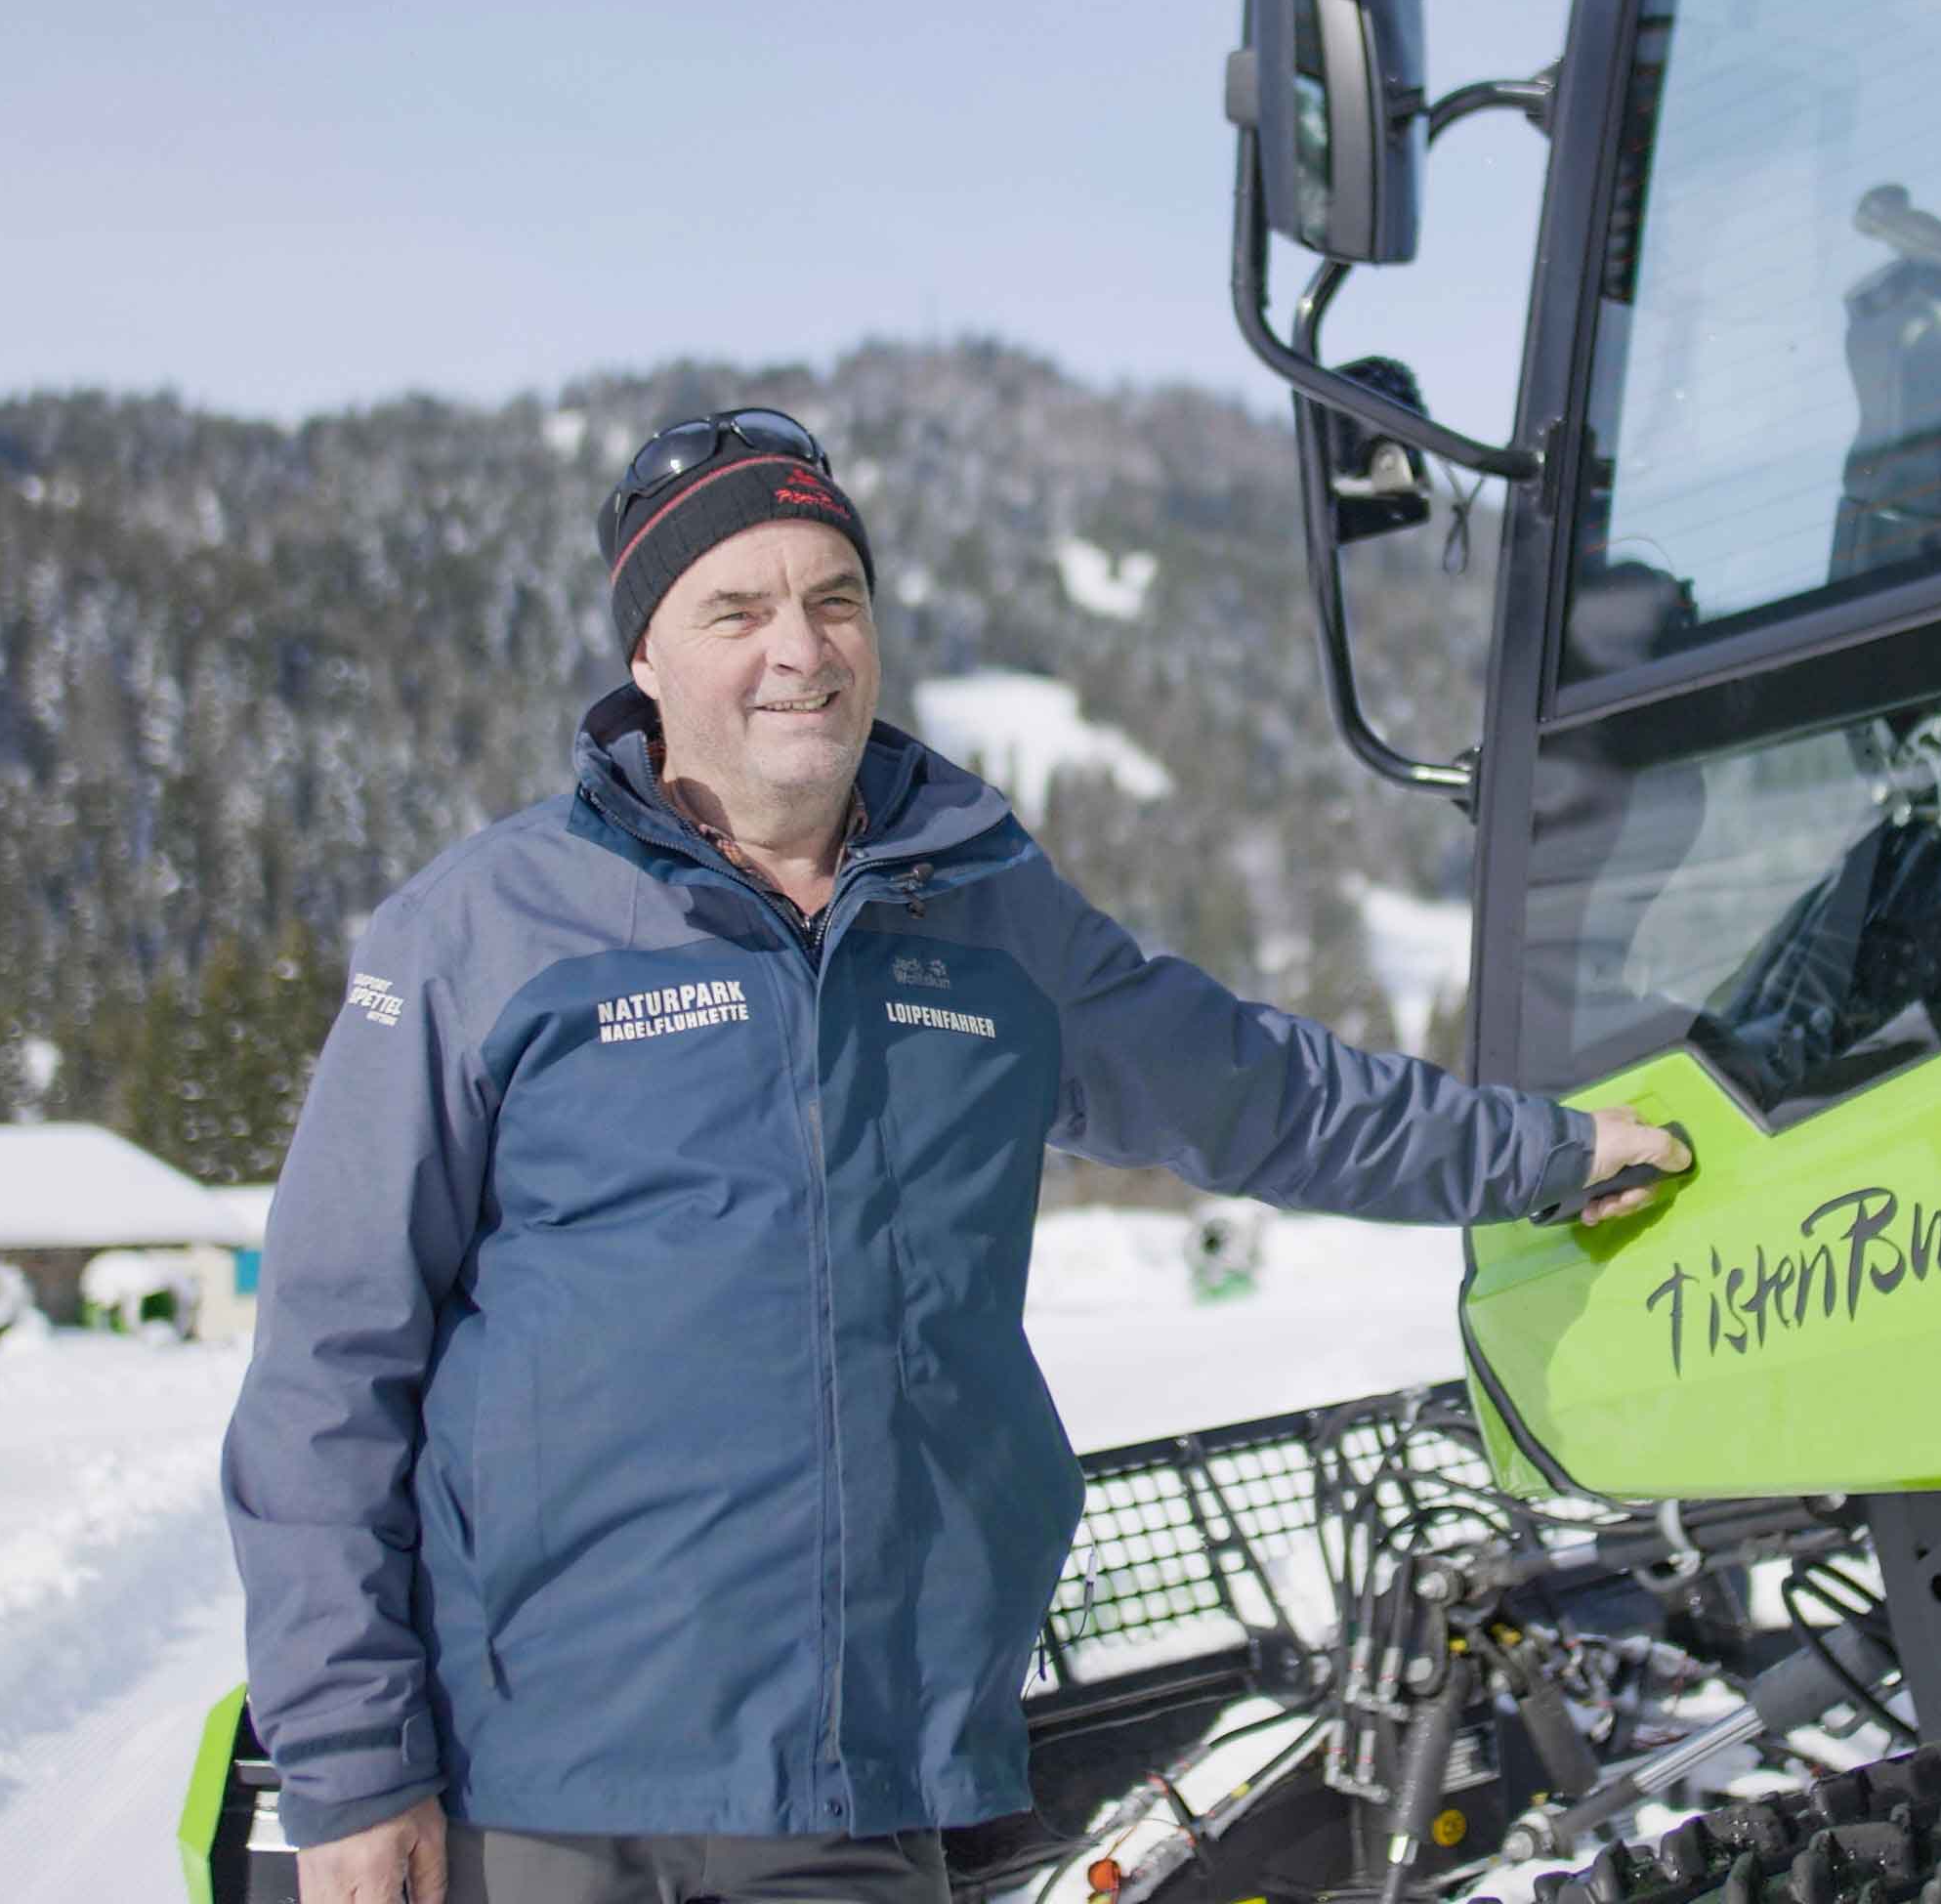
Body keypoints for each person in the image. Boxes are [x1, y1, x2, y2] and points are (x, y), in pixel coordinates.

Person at [223, 410, 1692, 1904]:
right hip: (526, 1792)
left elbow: (1258, 1090)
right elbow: (333, 1359)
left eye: (834, 599)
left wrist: (1545, 1152)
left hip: (851, 1790)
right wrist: (355, 1763)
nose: (799, 647)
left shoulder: (989, 919)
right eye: (736, 608)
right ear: (648, 661)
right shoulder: (486, 931)